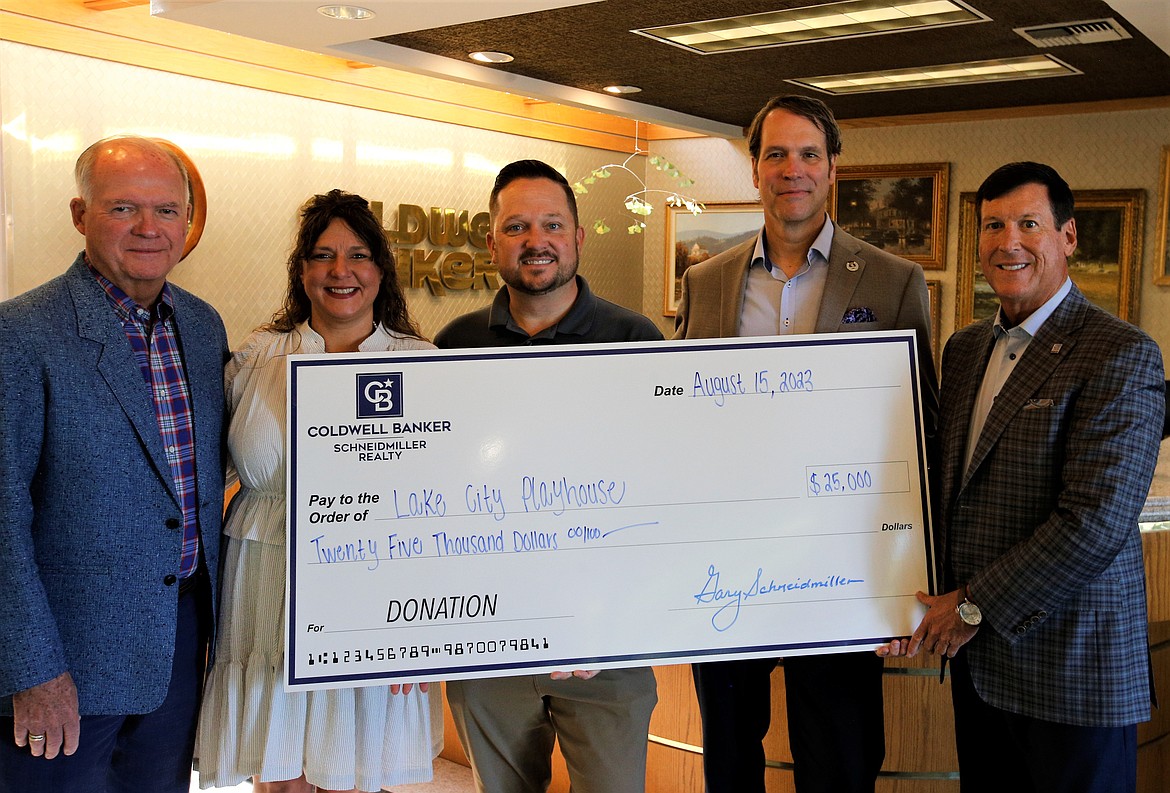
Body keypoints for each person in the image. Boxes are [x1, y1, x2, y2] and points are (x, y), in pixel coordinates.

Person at [673, 95, 938, 793]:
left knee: (839, 762)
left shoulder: (894, 282)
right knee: (730, 760)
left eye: (809, 154)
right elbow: (681, 424)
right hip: (727, 565)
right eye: (777, 154)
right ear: (755, 169)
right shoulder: (705, 282)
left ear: (832, 168)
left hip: (841, 567)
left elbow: (920, 429)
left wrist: (910, 574)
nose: (793, 169)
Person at [878, 161, 1165, 792]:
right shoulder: (965, 349)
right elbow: (945, 490)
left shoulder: (1120, 351)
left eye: (1029, 224)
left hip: (1072, 671)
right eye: (993, 225)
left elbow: (1094, 522)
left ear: (1068, 236)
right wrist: (896, 602)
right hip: (984, 670)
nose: (1009, 241)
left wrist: (972, 606)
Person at [0, 136, 228, 792]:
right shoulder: (21, 333)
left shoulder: (203, 326)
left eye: (167, 210)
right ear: (81, 215)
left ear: (187, 222)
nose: (149, 228)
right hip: (67, 660)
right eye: (124, 207)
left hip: (180, 642)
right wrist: (32, 670)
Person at [193, 190, 441, 792]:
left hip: (375, 588)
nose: (340, 271)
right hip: (265, 579)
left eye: (357, 255)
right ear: (301, 270)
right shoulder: (255, 358)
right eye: (323, 255)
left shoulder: (423, 364)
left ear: (380, 270)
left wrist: (425, 632)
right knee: (278, 770)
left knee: (353, 767)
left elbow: (447, 507)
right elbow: (198, 475)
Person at [435, 159, 661, 793]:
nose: (536, 240)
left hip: (606, 650)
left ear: (578, 236)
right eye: (517, 227)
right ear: (492, 243)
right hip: (487, 646)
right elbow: (433, 498)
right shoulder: (452, 346)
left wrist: (614, 617)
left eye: (552, 224)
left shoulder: (636, 340)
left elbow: (663, 497)